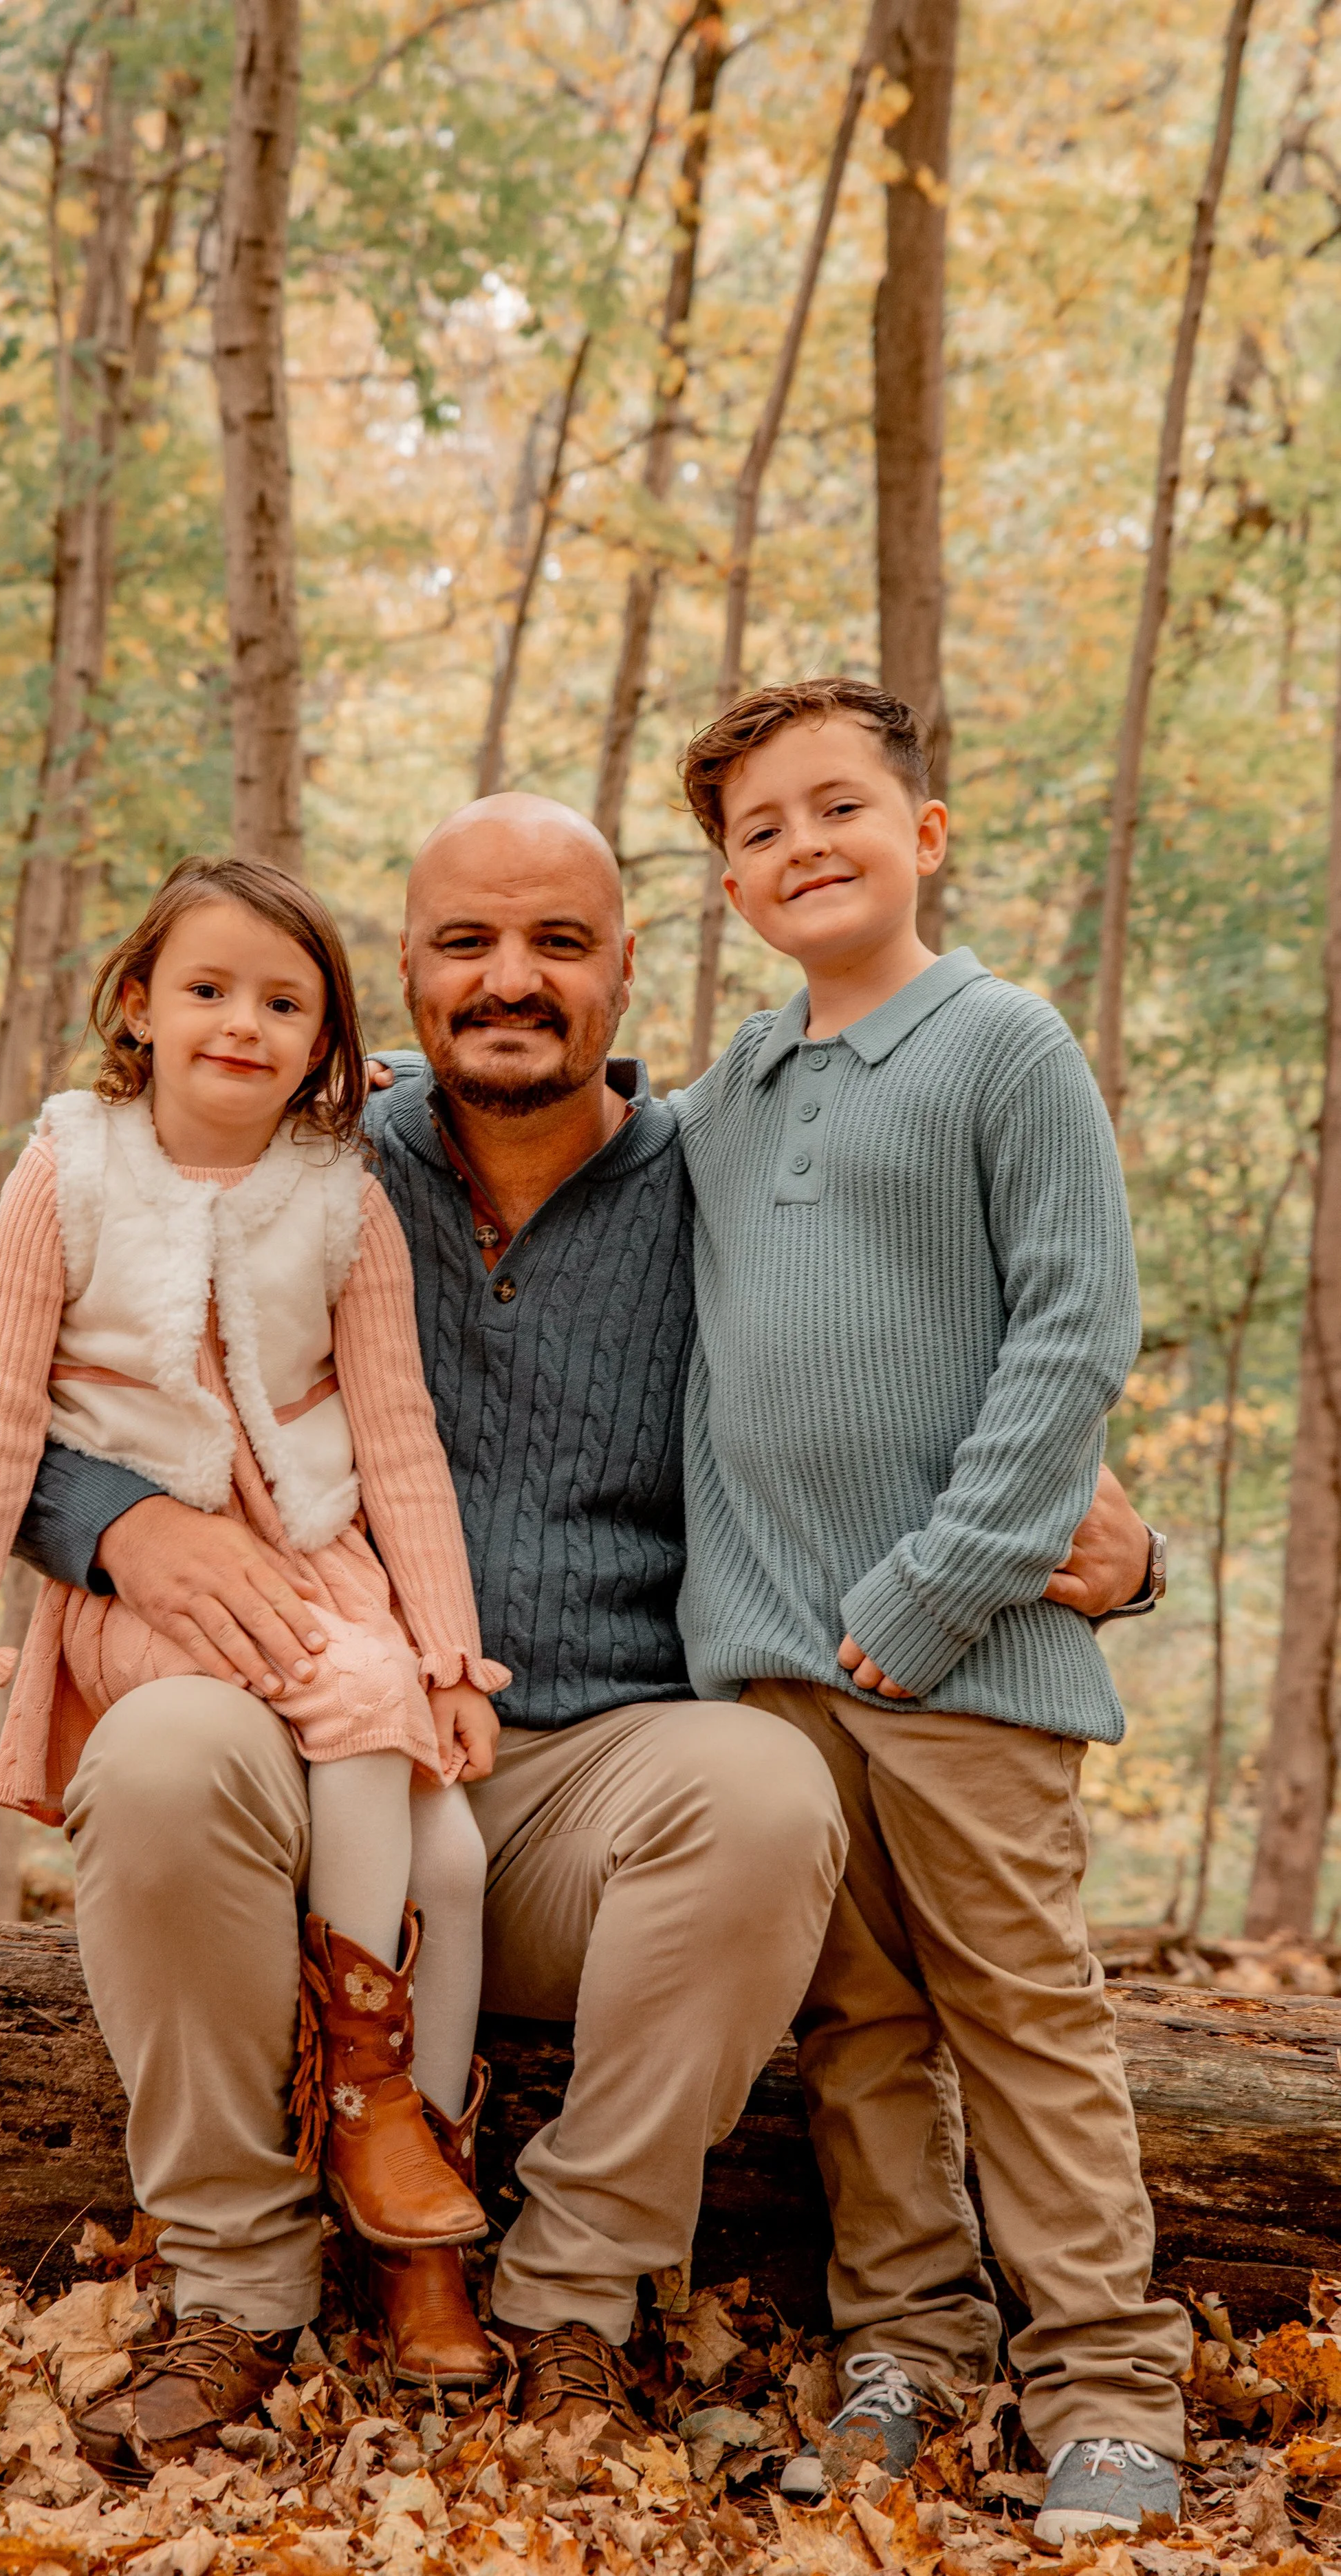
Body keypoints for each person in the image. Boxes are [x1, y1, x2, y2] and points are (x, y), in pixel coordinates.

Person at [0, 792, 1156, 2474]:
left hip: (585, 1777)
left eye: (559, 943)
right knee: (159, 1749)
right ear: (401, 978)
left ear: (630, 969)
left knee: (767, 1784)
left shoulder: (721, 1170)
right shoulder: (313, 1157)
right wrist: (125, 1522)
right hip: (313, 1745)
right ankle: (238, 2288)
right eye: (464, 944)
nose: (511, 980)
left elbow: (905, 1355)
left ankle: (572, 2305)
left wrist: (1121, 1554)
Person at [673, 679, 1190, 2548]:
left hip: (961, 1656)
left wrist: (945, 1581)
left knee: (1022, 2014)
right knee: (861, 2029)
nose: (803, 845)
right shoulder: (726, 1101)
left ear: (924, 833)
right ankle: (909, 2346)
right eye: (759, 830)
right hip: (773, 1671)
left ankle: (1111, 2392)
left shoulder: (1001, 1046)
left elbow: (1072, 1335)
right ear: (728, 886)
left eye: (838, 808)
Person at [0, 856, 510, 2285]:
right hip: (140, 1594)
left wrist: (450, 1657)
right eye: (208, 989)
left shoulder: (341, 1204)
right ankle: (359, 2097)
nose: (242, 1022)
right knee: (347, 1687)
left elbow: (398, 1441)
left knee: (455, 1859)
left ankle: (417, 2213)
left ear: (327, 1045)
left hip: (314, 1560)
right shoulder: (68, 1170)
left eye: (283, 1001)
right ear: (138, 1004)